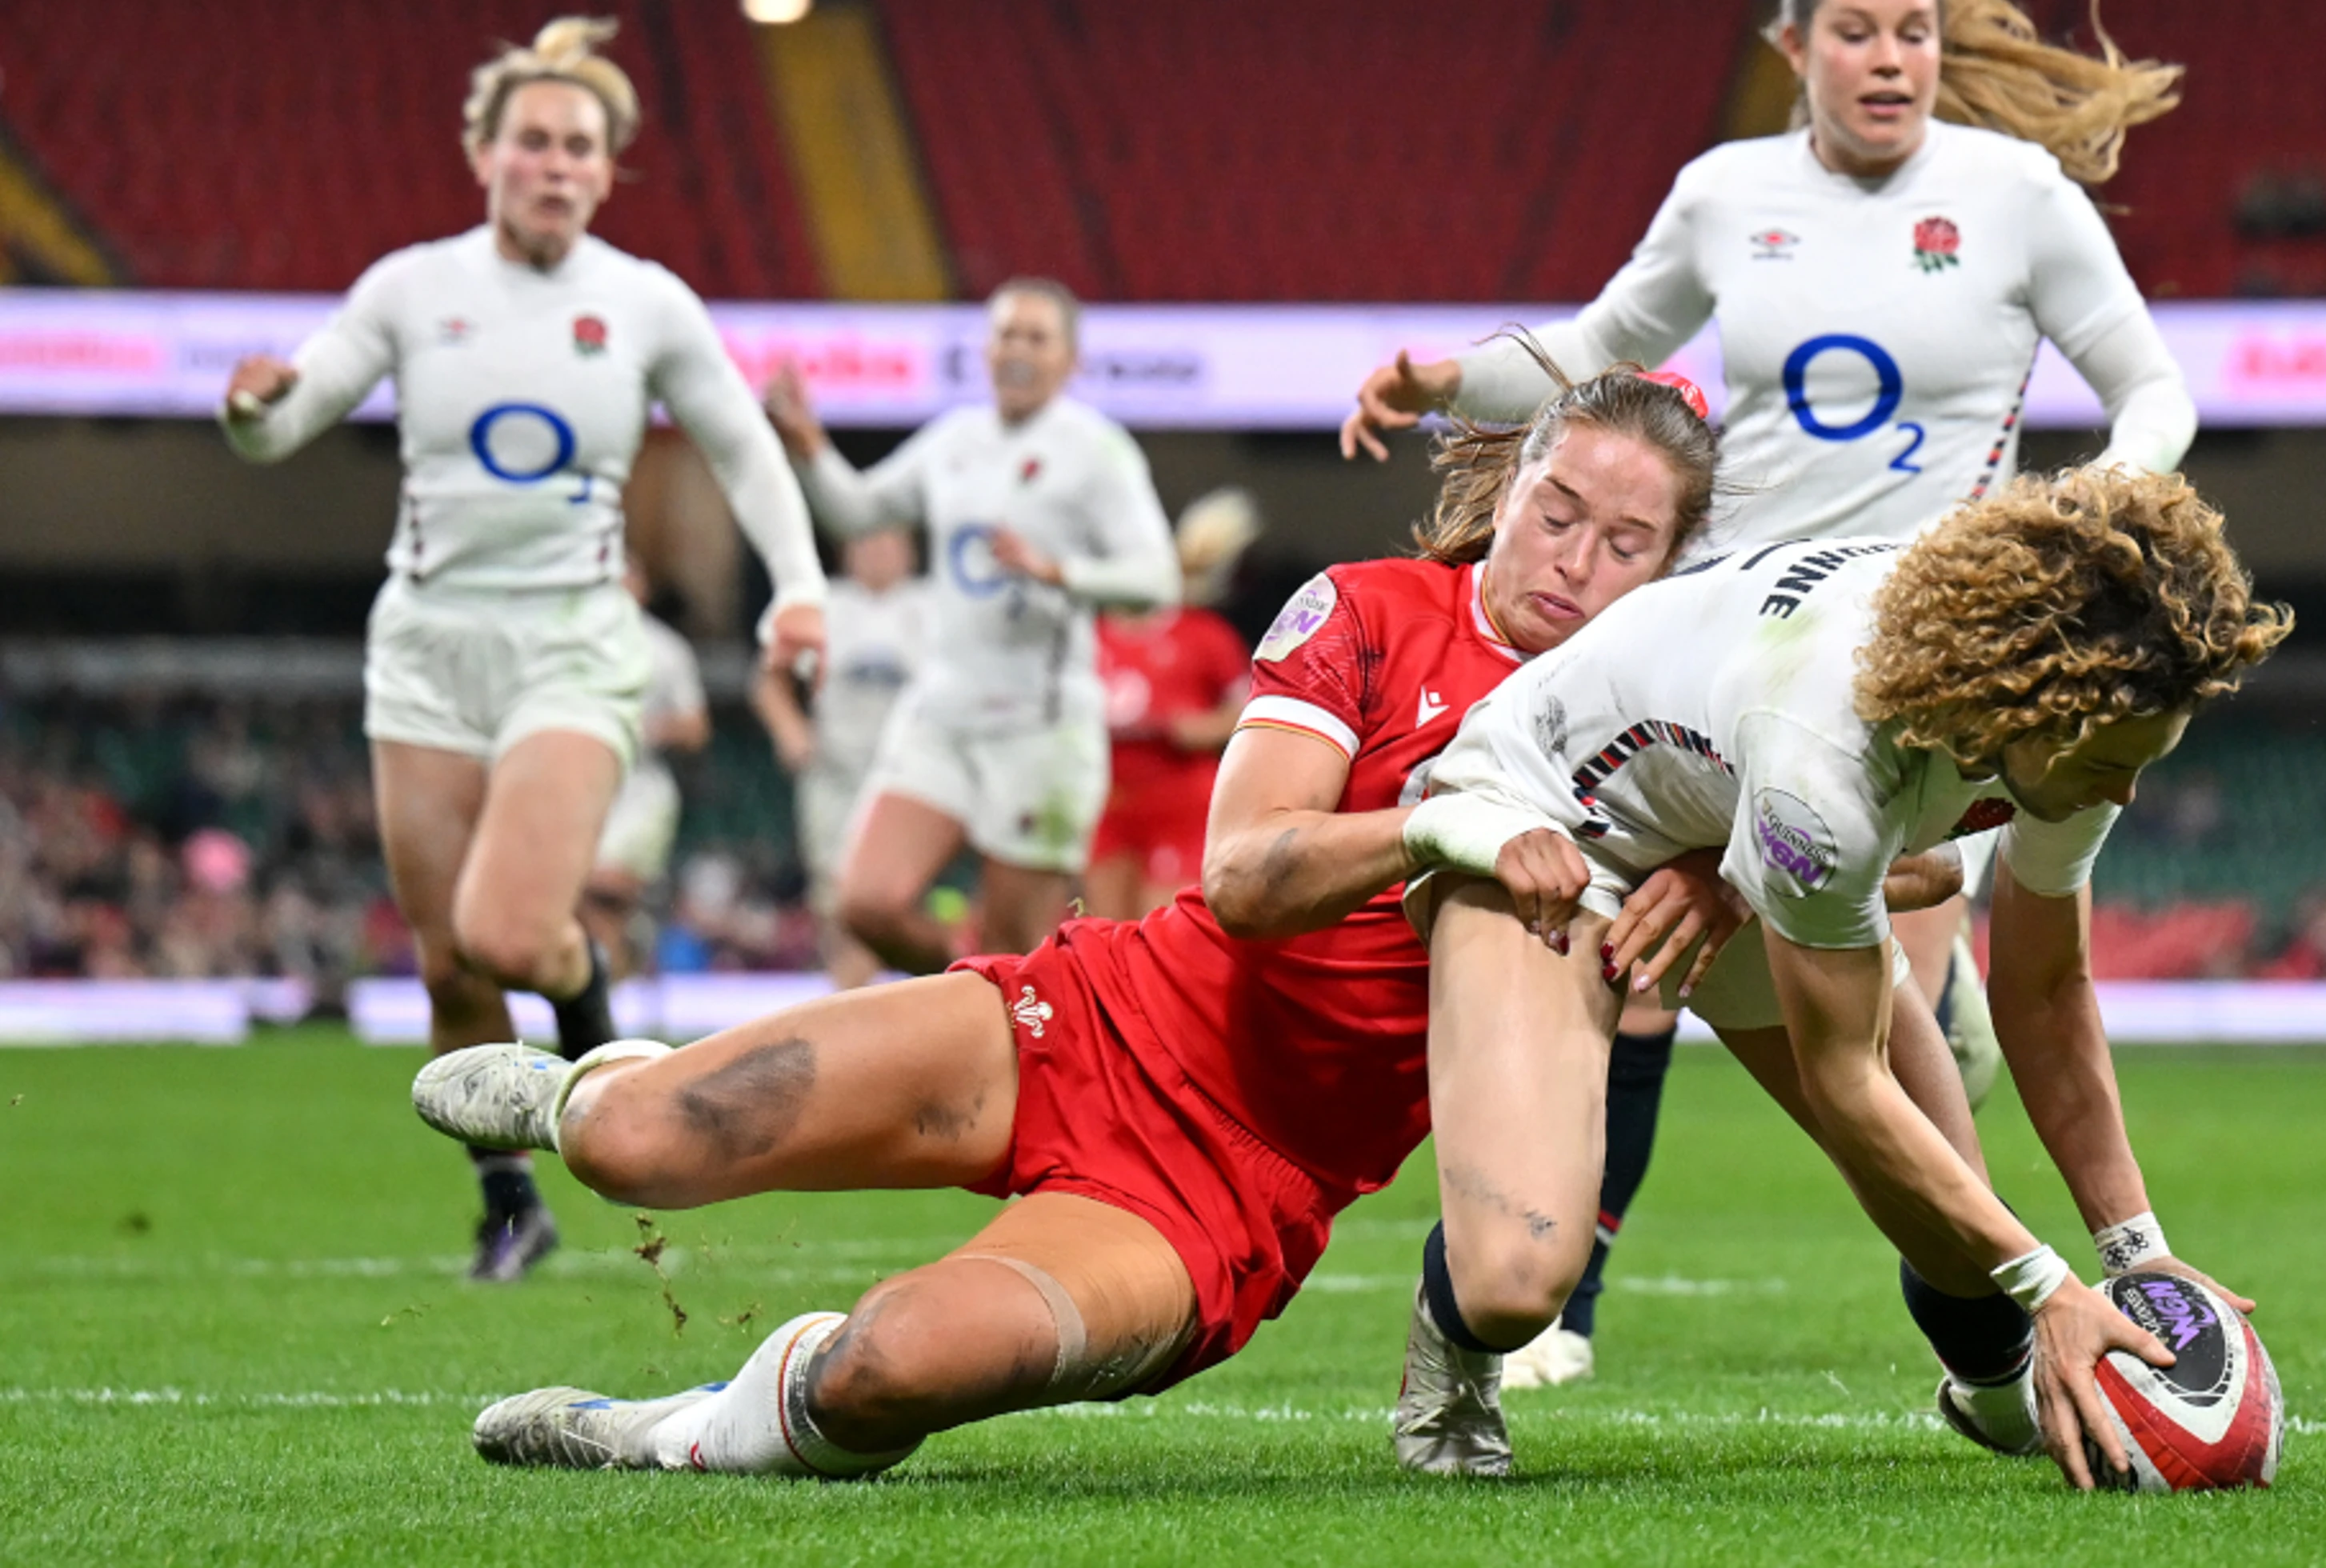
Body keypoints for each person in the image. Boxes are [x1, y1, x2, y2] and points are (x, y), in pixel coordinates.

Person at [407, 368, 1725, 1478]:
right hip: (1092, 1020)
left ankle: (659, 1431)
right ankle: (588, 1090)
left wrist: (1725, 873)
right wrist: (1438, 827)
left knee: (887, 1366)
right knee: (636, 1144)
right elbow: (1249, 877)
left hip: (1230, 1194)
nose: (1577, 562)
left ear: (1673, 568)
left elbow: (1891, 847)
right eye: (1559, 512)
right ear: (1511, 488)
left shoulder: (1660, 737)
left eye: (1628, 542)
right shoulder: (1370, 610)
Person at [1343, 0, 2195, 1387]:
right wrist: (1443, 377)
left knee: (1897, 1075)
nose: (1889, 60)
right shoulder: (1728, 192)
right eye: (1855, 33)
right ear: (1792, 49)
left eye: (1914, 33)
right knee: (1661, 960)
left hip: (1939, 679)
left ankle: (1993, 1358)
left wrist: (2101, 521)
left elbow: (2154, 391)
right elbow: (1606, 338)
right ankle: (1567, 1296)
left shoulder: (2018, 194)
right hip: (1739, 655)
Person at [1391, 467, 2290, 1487]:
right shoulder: (1832, 755)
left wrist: (2136, 1258)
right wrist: (2052, 1287)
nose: (2125, 790)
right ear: (2029, 708)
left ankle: (2001, 1397)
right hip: (1550, 815)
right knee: (1519, 1278)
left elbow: (2042, 992)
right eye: (2110, 766)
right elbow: (1845, 1081)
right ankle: (1454, 1358)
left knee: (1955, 1232)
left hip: (1731, 818)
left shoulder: (2078, 704)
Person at [218, 16, 827, 1281]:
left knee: (508, 932)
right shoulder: (411, 288)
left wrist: (799, 590)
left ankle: (598, 1036)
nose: (555, 164)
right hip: (430, 645)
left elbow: (742, 448)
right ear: (484, 154)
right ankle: (510, 1204)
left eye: (580, 148)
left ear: (608, 174)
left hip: (571, 642)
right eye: (533, 141)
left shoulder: (645, 301)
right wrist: (252, 412)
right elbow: (292, 421)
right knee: (447, 961)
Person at [762, 280, 1178, 973]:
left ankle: (993, 1013)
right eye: (1005, 335)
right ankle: (967, 984)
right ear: (985, 351)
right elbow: (858, 512)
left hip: (1038, 730)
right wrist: (809, 448)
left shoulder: (1097, 452)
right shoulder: (956, 439)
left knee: (1014, 947)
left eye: (1036, 338)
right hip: (943, 714)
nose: (1017, 350)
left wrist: (1059, 572)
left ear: (1070, 359)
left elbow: (1156, 581)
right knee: (864, 902)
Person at [751, 526, 931, 990]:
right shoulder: (825, 606)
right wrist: (791, 730)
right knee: (835, 896)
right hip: (837, 772)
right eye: (866, 541)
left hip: (910, 775)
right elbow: (769, 679)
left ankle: (892, 995)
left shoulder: (935, 607)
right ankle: (852, 994)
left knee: (895, 894)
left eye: (888, 542)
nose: (877, 553)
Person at [1087, 489, 1263, 921]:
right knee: (1104, 933)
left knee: (1160, 929)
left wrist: (1207, 726)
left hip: (1178, 804)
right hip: (1105, 807)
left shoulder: (1202, 634)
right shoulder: (1089, 640)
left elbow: (1256, 708)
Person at [579, 567, 711, 983]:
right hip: (582, 785)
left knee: (605, 888)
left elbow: (695, 727)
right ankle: (623, 956)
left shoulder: (665, 649)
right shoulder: (572, 641)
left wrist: (652, 729)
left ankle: (624, 948)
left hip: (640, 788)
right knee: (580, 902)